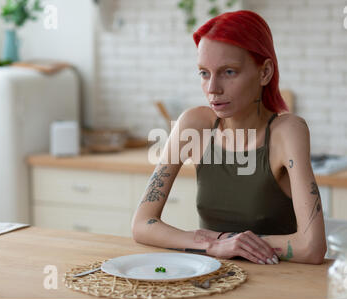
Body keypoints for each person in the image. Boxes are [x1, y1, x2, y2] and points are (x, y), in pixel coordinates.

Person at [132, 10, 327, 265]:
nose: (212, 88)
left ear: (265, 72)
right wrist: (217, 244)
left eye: (229, 72)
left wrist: (228, 244)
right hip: (211, 278)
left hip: (279, 283)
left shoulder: (287, 132)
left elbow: (312, 247)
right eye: (204, 73)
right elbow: (142, 225)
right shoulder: (193, 125)